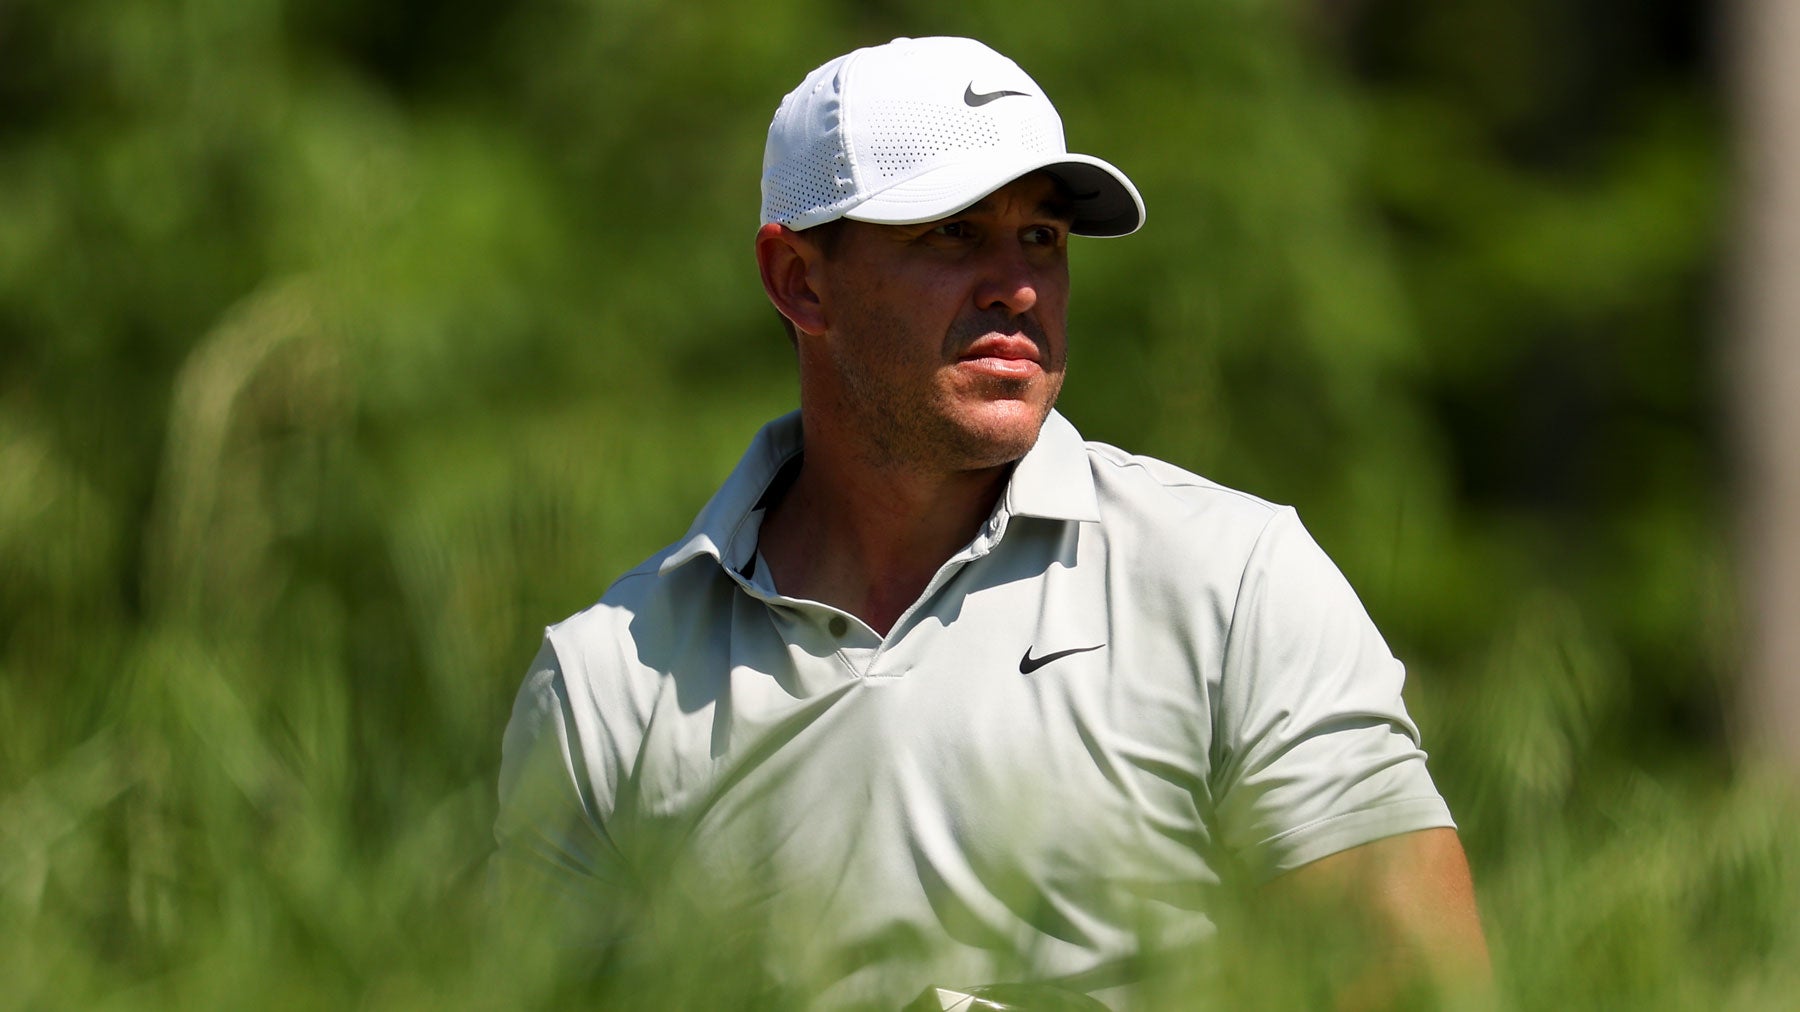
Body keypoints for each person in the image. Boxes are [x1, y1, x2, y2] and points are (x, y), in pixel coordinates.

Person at [493, 35, 1489, 1009]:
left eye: (1043, 237)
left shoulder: (1234, 584)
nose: (1018, 284)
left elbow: (1417, 988)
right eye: (951, 232)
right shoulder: (608, 686)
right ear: (799, 280)